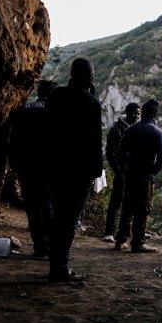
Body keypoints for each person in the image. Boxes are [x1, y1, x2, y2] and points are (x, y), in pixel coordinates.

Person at [46, 58, 103, 282]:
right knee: (69, 219)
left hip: (56, 165)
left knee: (58, 215)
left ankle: (55, 264)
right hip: (78, 170)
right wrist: (96, 172)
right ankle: (60, 267)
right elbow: (94, 142)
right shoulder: (91, 103)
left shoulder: (55, 96)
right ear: (89, 77)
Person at [9, 80, 57, 258]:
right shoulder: (57, 113)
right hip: (50, 168)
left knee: (33, 208)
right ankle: (51, 246)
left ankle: (39, 246)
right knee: (49, 206)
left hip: (27, 167)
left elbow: (13, 138)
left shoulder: (25, 111)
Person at [114, 99, 162, 253]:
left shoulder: (131, 130)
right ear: (155, 114)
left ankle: (121, 240)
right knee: (142, 209)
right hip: (145, 175)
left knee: (127, 207)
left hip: (130, 173)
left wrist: (124, 169)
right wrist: (152, 173)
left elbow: (120, 153)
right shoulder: (158, 133)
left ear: (142, 112)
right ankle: (138, 243)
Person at [102, 102, 140, 242]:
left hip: (134, 172)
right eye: (134, 113)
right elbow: (110, 153)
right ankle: (109, 232)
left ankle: (132, 231)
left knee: (135, 202)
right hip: (122, 172)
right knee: (116, 202)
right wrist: (118, 171)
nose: (136, 116)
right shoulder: (117, 129)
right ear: (128, 112)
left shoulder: (136, 128)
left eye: (138, 113)